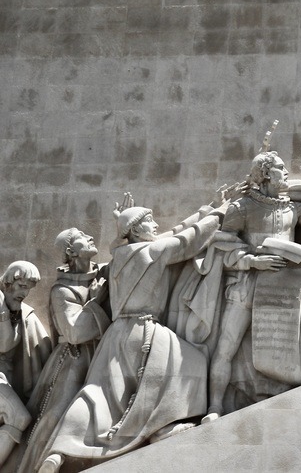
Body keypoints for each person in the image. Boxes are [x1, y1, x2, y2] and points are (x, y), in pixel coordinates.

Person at [39, 197, 224, 472]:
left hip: (115, 335)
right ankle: (161, 428)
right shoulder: (153, 251)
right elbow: (189, 240)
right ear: (136, 231)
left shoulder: (118, 257)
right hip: (144, 328)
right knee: (194, 362)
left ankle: (58, 451)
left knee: (98, 393)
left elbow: (170, 234)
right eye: (149, 221)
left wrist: (204, 210)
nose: (156, 224)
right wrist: (222, 212)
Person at [203, 149, 301, 422]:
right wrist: (252, 261)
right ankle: (214, 407)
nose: (286, 172)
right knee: (226, 345)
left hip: (286, 280)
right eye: (281, 167)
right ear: (267, 173)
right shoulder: (242, 207)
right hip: (249, 281)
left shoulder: (291, 208)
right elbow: (223, 246)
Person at [16, 231, 109, 473]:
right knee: (56, 414)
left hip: (105, 351)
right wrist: (95, 302)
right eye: (80, 236)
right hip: (73, 358)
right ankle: (38, 464)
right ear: (71, 252)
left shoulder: (104, 273)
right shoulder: (62, 290)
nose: (89, 236)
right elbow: (75, 333)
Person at [0, 262, 51, 469]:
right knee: (18, 417)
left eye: (28, 288)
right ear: (8, 282)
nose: (25, 293)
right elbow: (5, 343)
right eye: (22, 286)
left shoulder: (16, 309)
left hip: (4, 378)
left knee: (19, 418)